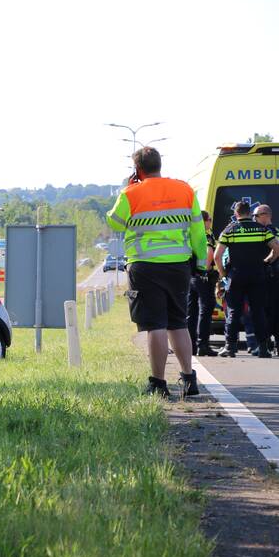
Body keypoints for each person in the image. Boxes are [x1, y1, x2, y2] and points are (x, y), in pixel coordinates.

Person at [106, 147, 208, 398]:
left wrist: (128, 190)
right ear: (159, 165)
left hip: (145, 266)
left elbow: (114, 222)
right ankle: (188, 379)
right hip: (178, 265)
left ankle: (159, 383)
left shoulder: (131, 193)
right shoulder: (185, 190)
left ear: (138, 169)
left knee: (156, 325)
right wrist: (202, 263)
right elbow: (197, 231)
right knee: (178, 323)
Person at [214, 200, 279, 357]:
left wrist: (223, 275)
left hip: (236, 276)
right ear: (249, 213)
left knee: (234, 312)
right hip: (257, 275)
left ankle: (230, 347)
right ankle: (263, 348)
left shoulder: (230, 230)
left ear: (236, 214)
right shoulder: (262, 230)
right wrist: (267, 261)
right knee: (258, 311)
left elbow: (217, 256)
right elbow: (276, 249)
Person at [187, 210, 218, 356]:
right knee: (205, 310)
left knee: (191, 312)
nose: (210, 222)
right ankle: (203, 345)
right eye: (209, 219)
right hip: (202, 276)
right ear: (204, 221)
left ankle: (191, 345)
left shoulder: (190, 233)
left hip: (190, 276)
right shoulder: (206, 234)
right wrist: (205, 271)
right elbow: (209, 252)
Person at [252, 204, 279, 352]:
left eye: (256, 216)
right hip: (275, 276)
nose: (254, 219)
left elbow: (276, 250)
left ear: (265, 215)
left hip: (267, 275)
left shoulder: (265, 232)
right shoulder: (277, 230)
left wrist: (266, 261)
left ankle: (265, 344)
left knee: (265, 310)